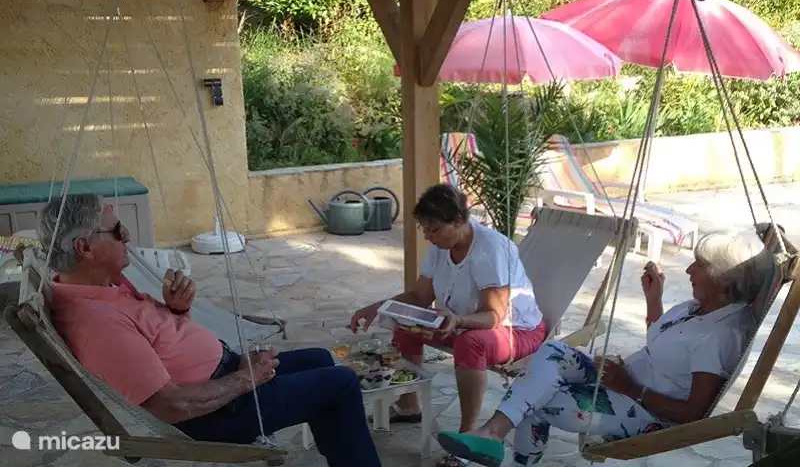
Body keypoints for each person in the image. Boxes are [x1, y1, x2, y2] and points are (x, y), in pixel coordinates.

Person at [40, 194, 382, 467]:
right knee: (341, 384)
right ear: (85, 248)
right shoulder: (98, 325)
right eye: (116, 231)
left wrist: (177, 309)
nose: (127, 236)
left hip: (221, 378)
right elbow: (169, 405)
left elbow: (158, 340)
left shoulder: (102, 285)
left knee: (319, 360)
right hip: (216, 412)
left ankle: (344, 454)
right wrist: (247, 379)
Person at [435, 230, 774, 467]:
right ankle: (492, 434)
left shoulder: (721, 336)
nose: (688, 270)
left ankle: (494, 438)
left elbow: (693, 415)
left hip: (645, 411)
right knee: (552, 351)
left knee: (536, 401)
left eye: (699, 265)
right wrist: (653, 301)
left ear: (724, 280)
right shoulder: (699, 307)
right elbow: (664, 343)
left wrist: (629, 386)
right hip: (623, 383)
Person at [350, 184, 547, 467]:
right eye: (425, 230)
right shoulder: (440, 249)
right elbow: (419, 297)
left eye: (435, 230)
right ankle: (409, 404)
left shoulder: (491, 249)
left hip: (518, 330)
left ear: (458, 221)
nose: (429, 238)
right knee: (406, 322)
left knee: (471, 343)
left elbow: (494, 316)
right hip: (462, 322)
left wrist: (458, 321)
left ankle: (468, 436)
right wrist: (378, 306)